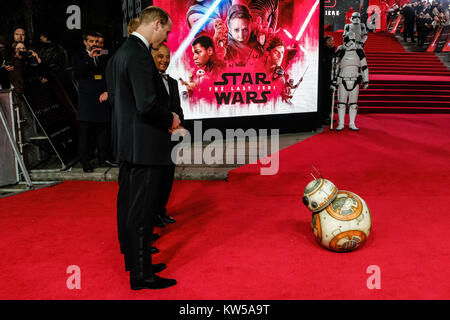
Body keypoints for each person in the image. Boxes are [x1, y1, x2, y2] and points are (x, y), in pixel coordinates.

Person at [107, 5, 178, 290]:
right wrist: (171, 118)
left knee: (130, 206)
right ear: (157, 24)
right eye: (168, 32)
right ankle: (142, 275)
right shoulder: (138, 54)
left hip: (129, 143)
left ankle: (137, 264)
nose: (166, 39)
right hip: (145, 145)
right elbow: (146, 104)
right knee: (141, 210)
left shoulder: (121, 53)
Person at [151, 44, 184, 228]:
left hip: (172, 137)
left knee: (167, 178)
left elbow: (178, 109)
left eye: (167, 56)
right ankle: (153, 214)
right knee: (156, 179)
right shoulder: (149, 81)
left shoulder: (173, 82)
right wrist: (167, 125)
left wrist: (179, 126)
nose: (164, 60)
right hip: (157, 137)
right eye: (160, 56)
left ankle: (161, 211)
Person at [72, 31, 112, 172]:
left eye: (96, 41)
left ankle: (103, 158)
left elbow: (109, 75)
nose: (95, 44)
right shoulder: (78, 56)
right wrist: (89, 58)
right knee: (85, 134)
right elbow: (77, 73)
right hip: (87, 101)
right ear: (85, 42)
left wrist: (108, 91)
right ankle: (85, 162)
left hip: (102, 99)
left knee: (103, 132)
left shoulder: (104, 56)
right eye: (91, 41)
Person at [331, 32, 369, 131]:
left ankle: (352, 123)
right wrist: (333, 80)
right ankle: (341, 123)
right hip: (343, 78)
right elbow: (335, 66)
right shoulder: (341, 49)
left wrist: (366, 80)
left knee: (353, 103)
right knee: (342, 103)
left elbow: (364, 66)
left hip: (355, 79)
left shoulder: (359, 50)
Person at [320, 35, 335, 126]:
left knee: (329, 98)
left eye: (332, 40)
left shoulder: (334, 51)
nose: (332, 42)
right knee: (325, 98)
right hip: (324, 78)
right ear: (325, 42)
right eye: (330, 40)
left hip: (331, 78)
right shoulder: (324, 51)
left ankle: (328, 116)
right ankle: (324, 117)